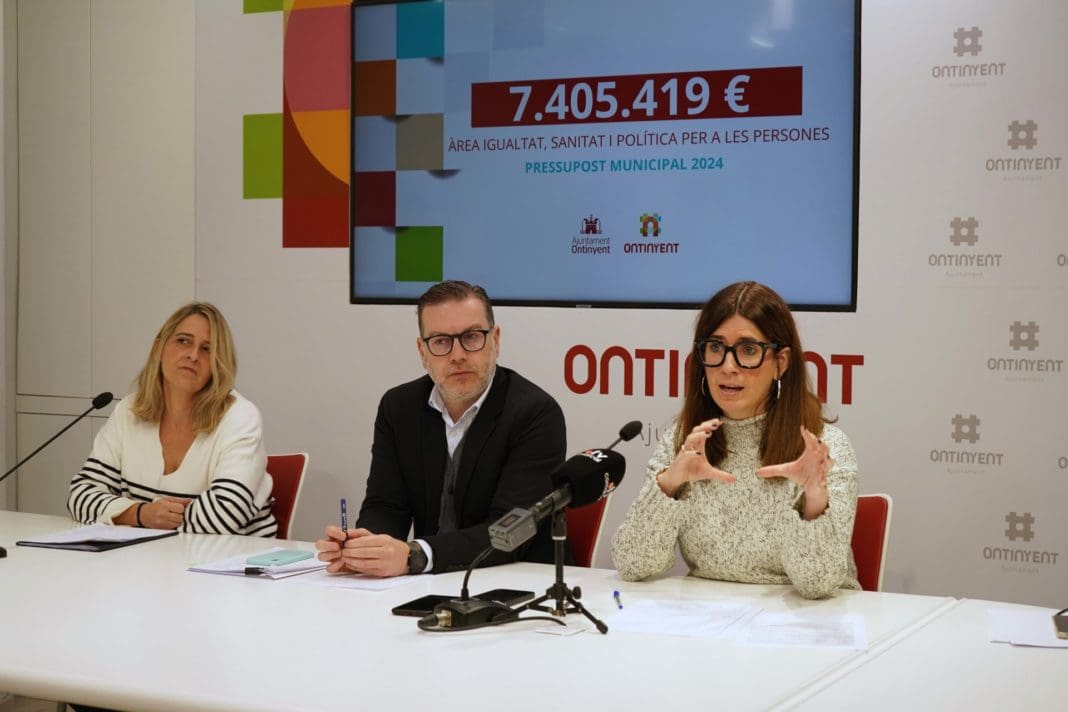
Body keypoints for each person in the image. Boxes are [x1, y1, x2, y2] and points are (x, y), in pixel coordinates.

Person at [612, 281, 859, 599]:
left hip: (808, 618)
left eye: (749, 350)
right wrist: (670, 483)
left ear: (781, 363)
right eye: (716, 348)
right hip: (710, 616)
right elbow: (632, 565)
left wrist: (813, 502)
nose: (728, 367)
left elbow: (817, 584)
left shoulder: (825, 448)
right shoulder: (686, 441)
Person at [315, 280, 566, 576]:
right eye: (441, 341)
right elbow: (386, 506)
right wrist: (365, 549)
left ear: (495, 340)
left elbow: (510, 532)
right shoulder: (398, 408)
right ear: (422, 351)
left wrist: (415, 556)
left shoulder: (535, 413)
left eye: (471, 337)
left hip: (519, 581)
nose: (457, 354)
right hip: (427, 583)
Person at [67, 302, 277, 536]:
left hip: (234, 556)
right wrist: (141, 513)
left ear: (218, 363)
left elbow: (224, 515)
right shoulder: (129, 411)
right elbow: (81, 495)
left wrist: (145, 517)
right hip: (153, 555)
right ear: (158, 347)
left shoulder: (239, 417)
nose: (193, 355)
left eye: (207, 349)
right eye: (183, 341)